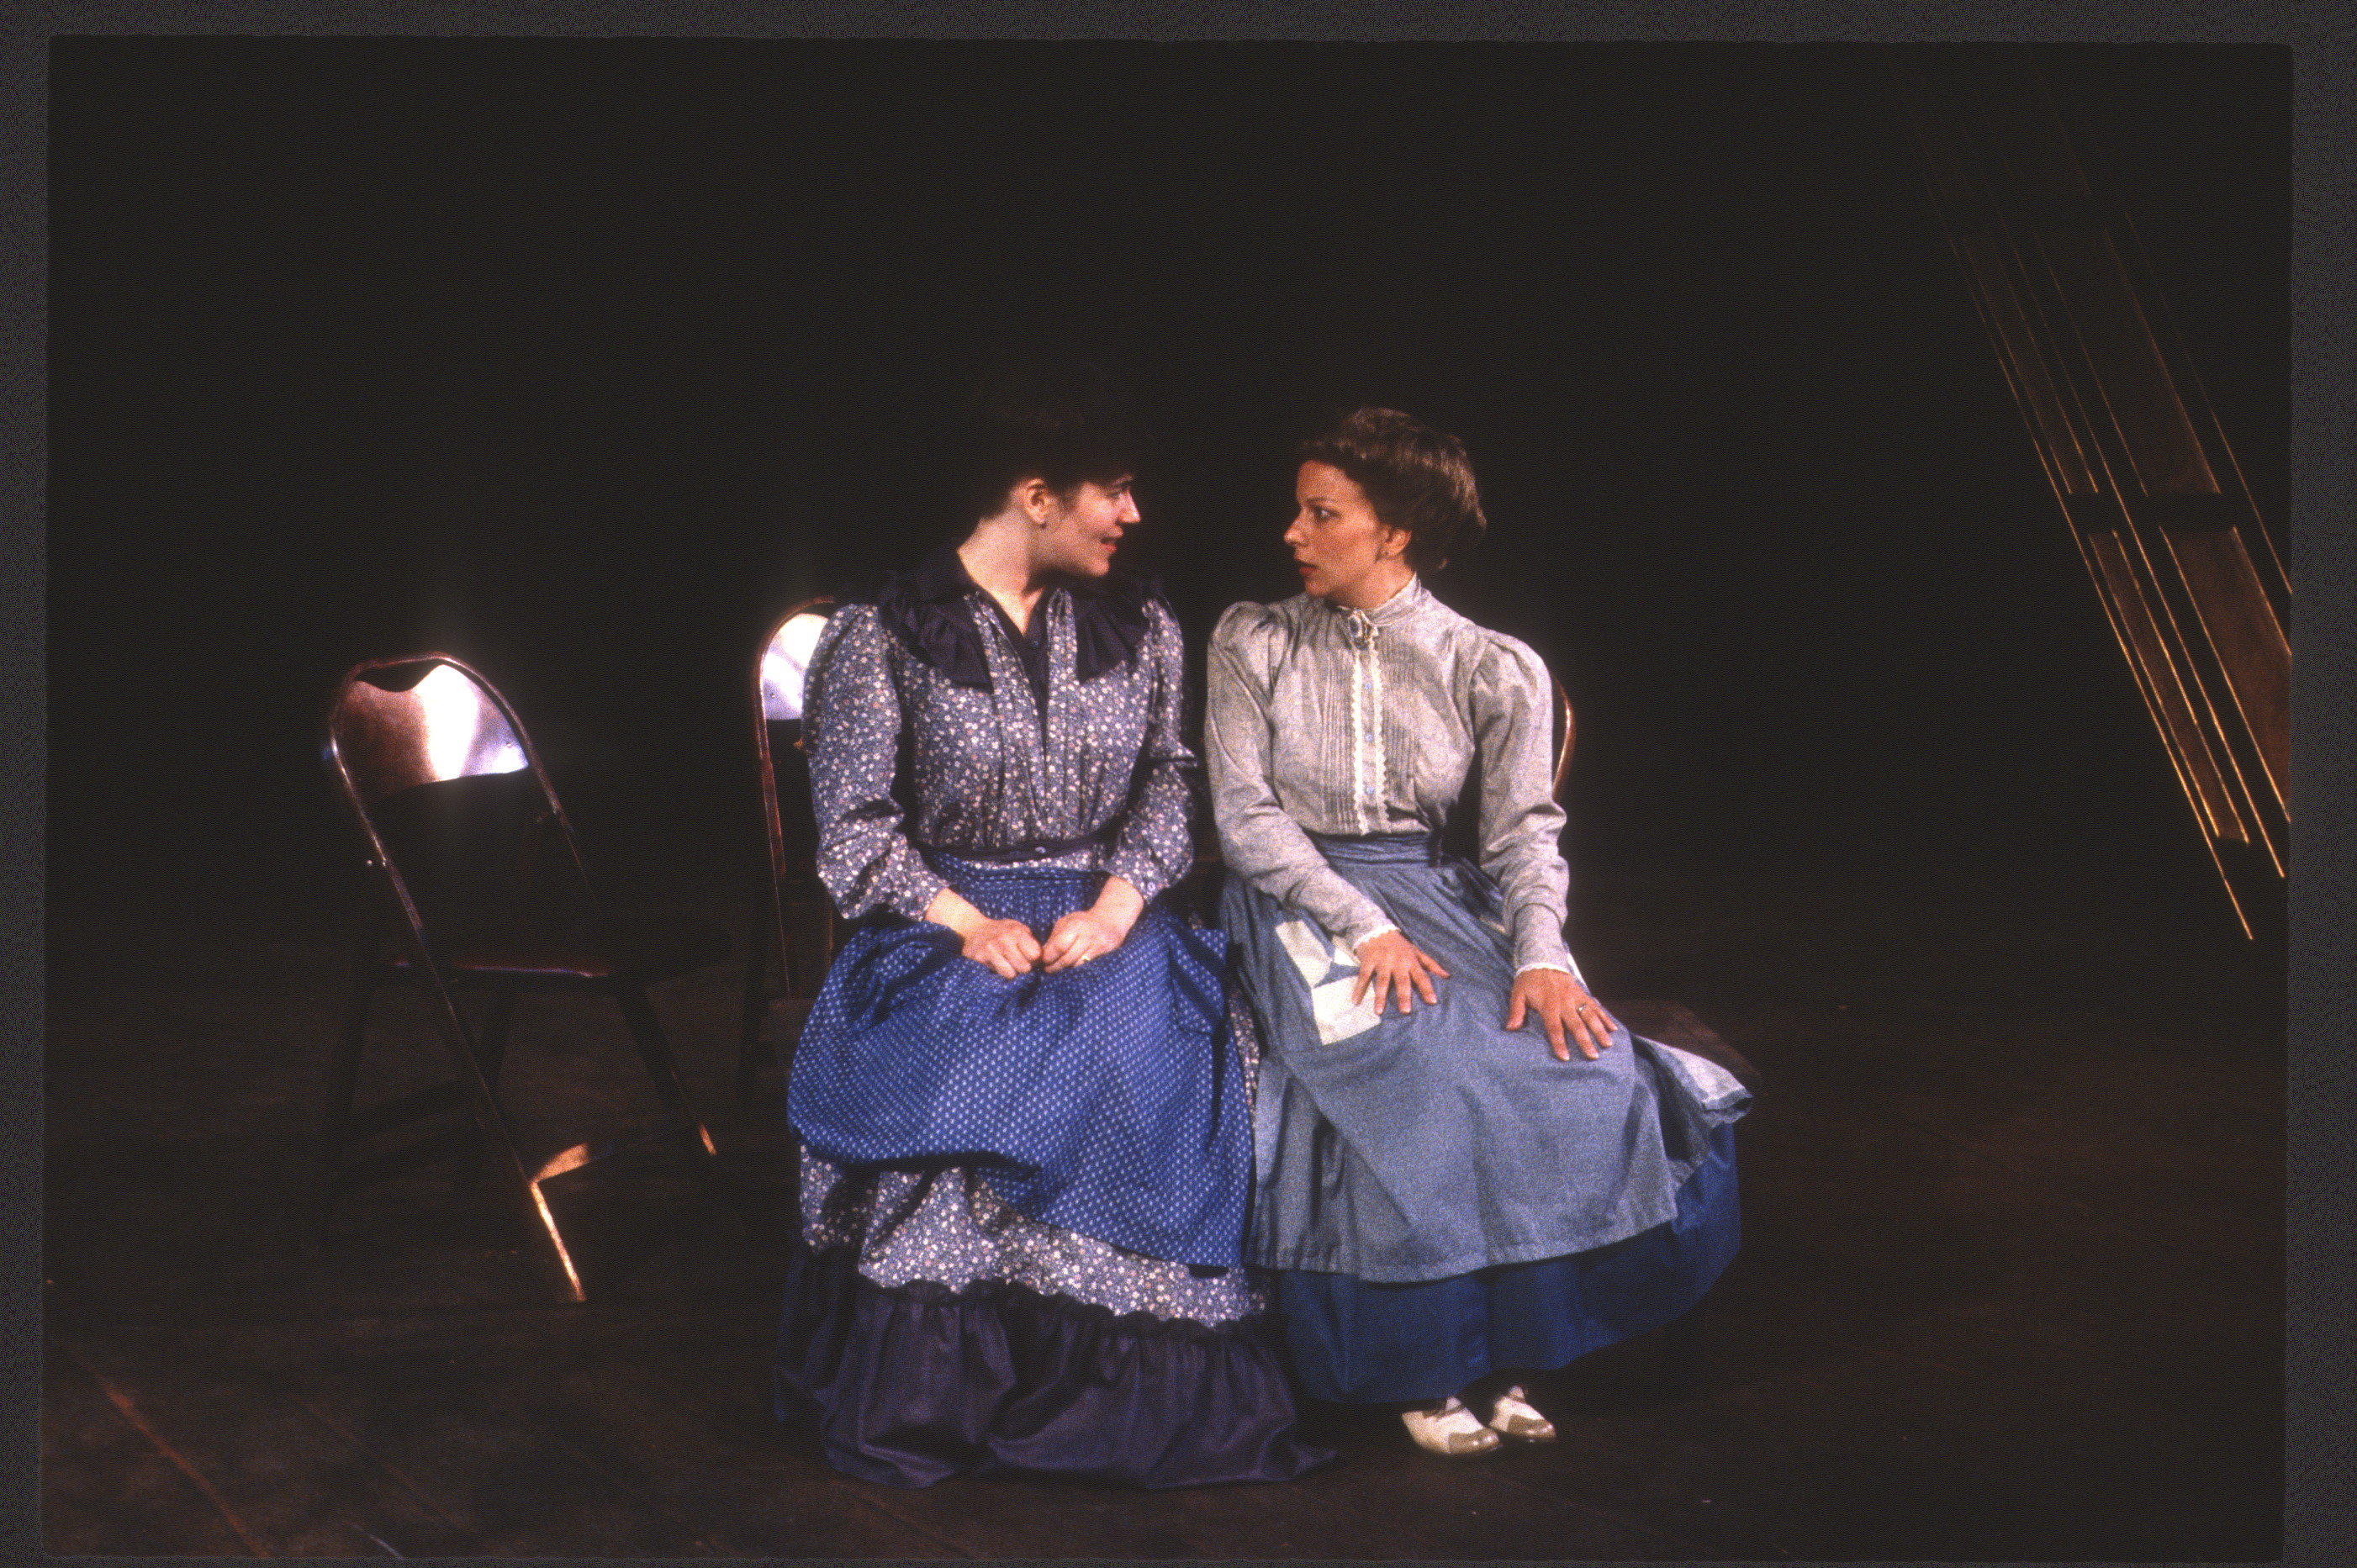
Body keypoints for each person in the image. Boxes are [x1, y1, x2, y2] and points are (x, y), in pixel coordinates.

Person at [774, 362, 1327, 1488]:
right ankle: (948, 1386)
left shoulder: (1140, 624)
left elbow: (1168, 783)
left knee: (1138, 1047)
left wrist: (1119, 904)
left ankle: (1118, 1396)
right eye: (1111, 490)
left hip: (1102, 910)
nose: (1132, 512)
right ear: (1036, 496)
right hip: (941, 915)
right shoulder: (884, 635)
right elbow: (854, 826)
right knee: (968, 1061)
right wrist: (963, 920)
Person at [1206, 407, 1750, 1456]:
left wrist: (1540, 955)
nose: (1293, 532)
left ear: (1396, 530)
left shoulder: (1490, 663)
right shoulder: (1254, 639)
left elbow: (1522, 836)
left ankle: (1511, 1347)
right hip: (1299, 902)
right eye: (1298, 510)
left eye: (1322, 513)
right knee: (1420, 1069)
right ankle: (1421, 1360)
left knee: (1564, 1061)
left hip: (1437, 898)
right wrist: (1361, 923)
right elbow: (1246, 820)